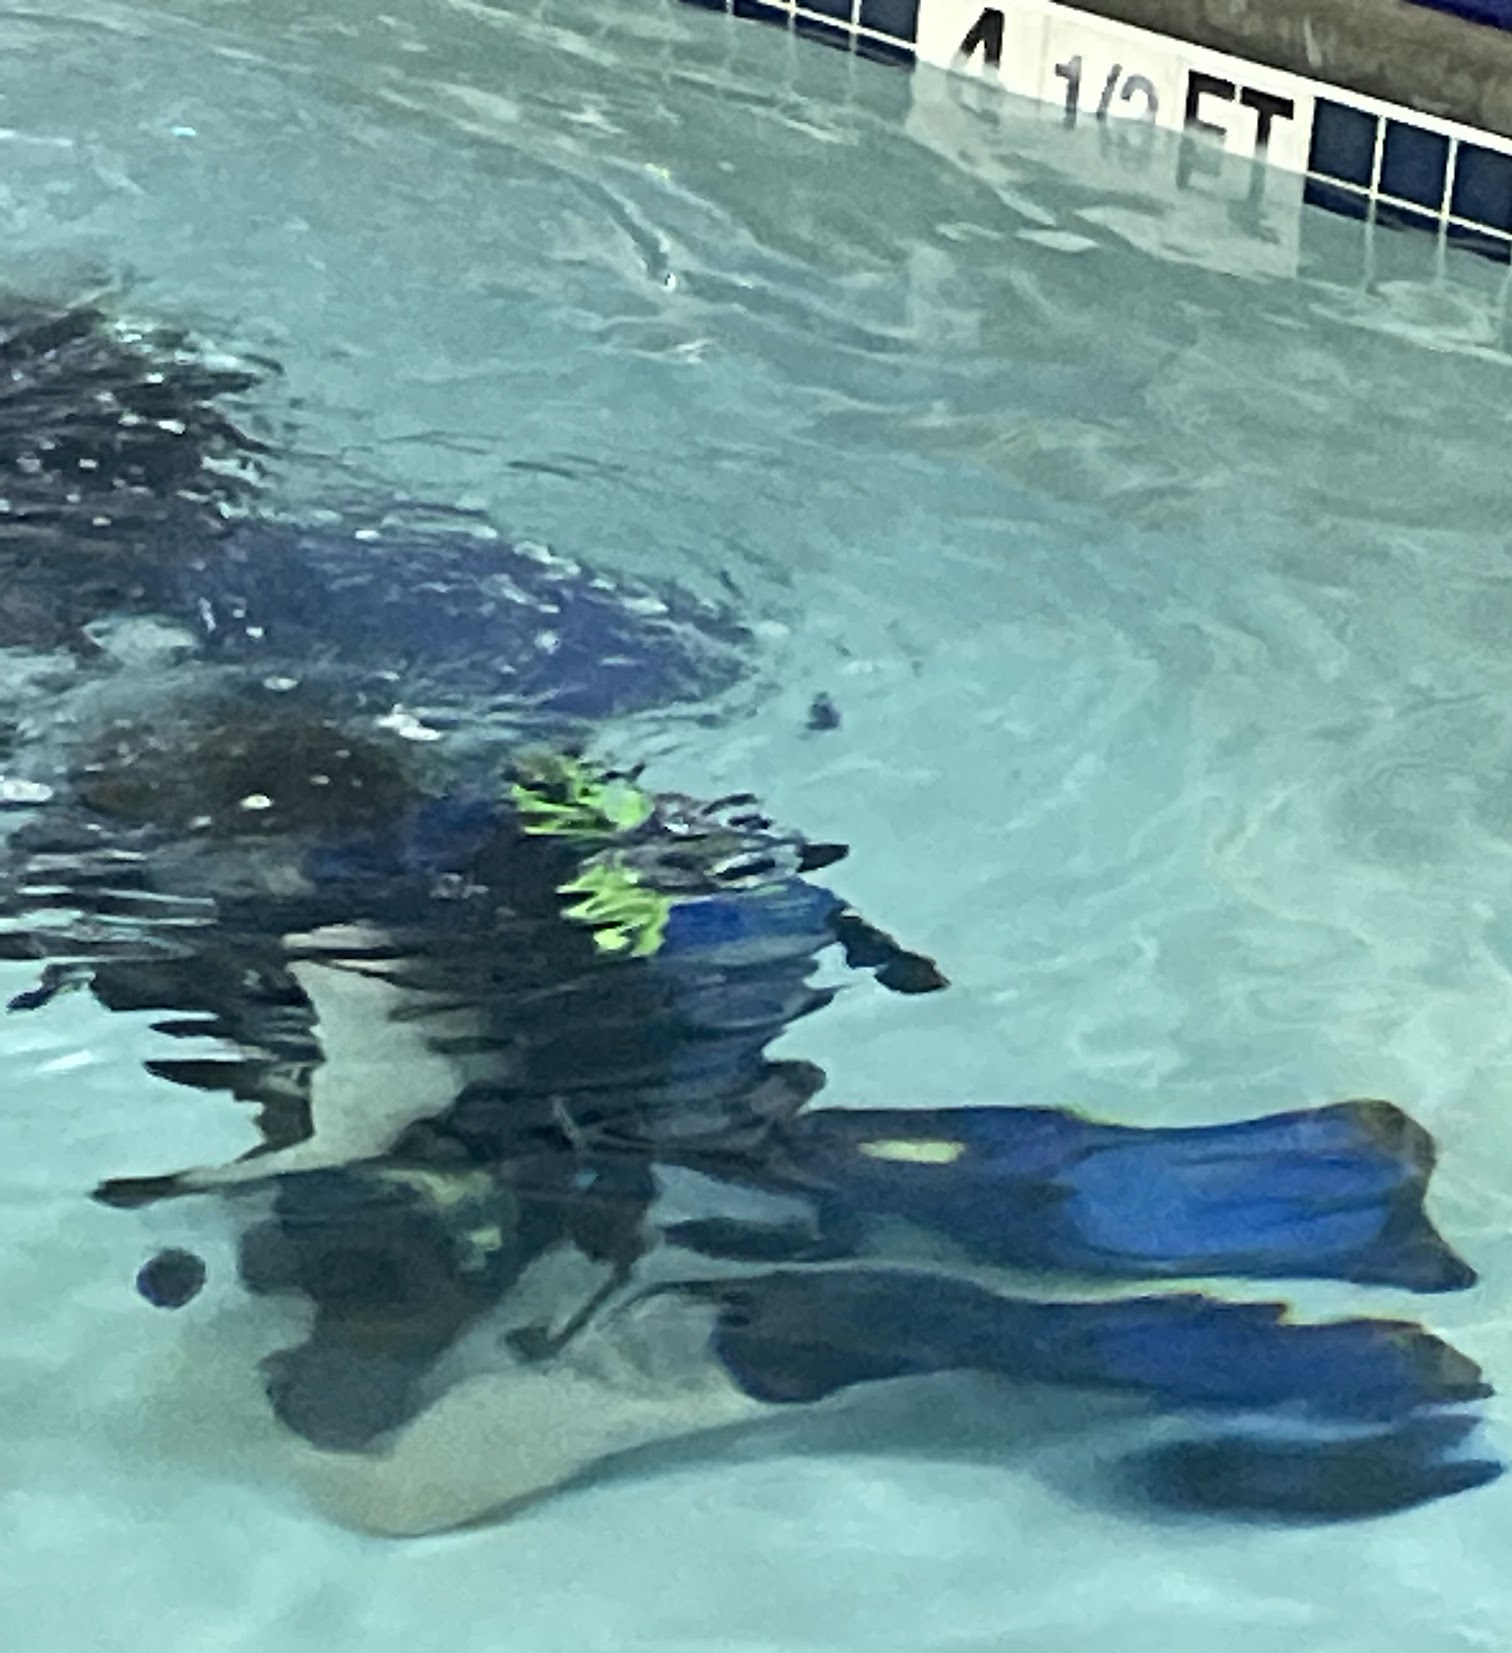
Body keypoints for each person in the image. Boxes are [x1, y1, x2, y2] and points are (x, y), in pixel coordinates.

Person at [0, 289, 1498, 1529]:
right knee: (680, 1146)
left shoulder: (206, 829)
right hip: (695, 936)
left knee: (370, 1473)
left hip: (526, 1032)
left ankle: (721, 1348)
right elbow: (692, 696)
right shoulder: (406, 593)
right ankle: (1084, 1195)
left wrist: (255, 1178)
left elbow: (382, 1093)